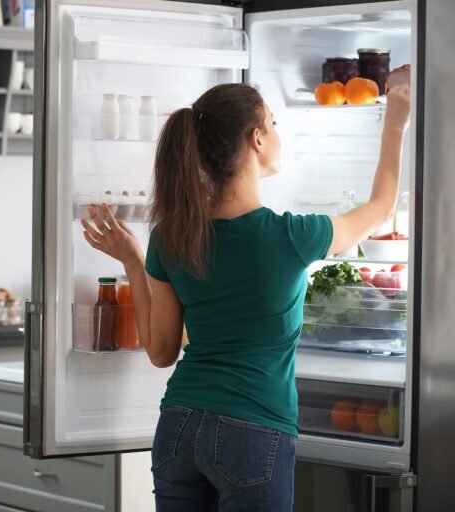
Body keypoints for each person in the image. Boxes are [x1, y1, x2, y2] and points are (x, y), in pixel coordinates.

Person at [80, 78, 411, 511]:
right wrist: (396, 123)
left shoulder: (171, 236)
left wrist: (132, 262)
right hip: (252, 432)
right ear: (256, 139)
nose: (277, 133)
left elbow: (161, 351)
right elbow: (381, 208)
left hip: (178, 426)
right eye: (273, 123)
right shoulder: (291, 234)